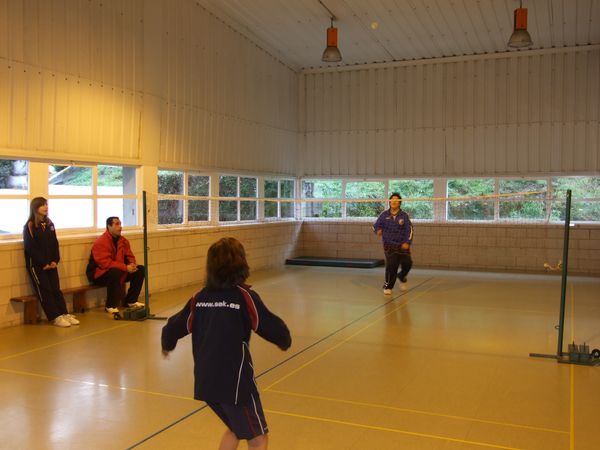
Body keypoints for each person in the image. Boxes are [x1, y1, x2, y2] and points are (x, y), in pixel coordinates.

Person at [161, 237, 291, 450]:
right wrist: (284, 339)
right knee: (258, 438)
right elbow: (267, 324)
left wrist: (167, 343)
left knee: (235, 429)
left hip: (206, 382)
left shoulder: (199, 298)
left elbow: (175, 325)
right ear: (241, 264)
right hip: (236, 385)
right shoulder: (244, 297)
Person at [23, 197, 80, 327]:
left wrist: (55, 260)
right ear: (35, 208)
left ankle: (64, 313)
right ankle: (54, 316)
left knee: (56, 289)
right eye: (42, 205)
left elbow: (54, 243)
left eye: (46, 204)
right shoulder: (30, 225)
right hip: (37, 266)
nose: (46, 207)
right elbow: (31, 247)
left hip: (51, 264)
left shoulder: (49, 223)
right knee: (45, 290)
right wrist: (43, 263)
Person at [90, 216, 145, 313]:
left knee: (140, 270)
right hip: (99, 274)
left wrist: (132, 265)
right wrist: (125, 267)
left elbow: (130, 256)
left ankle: (131, 301)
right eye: (116, 224)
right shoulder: (101, 242)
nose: (120, 227)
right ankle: (110, 305)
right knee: (115, 272)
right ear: (109, 226)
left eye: (120, 224)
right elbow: (105, 263)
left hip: (119, 270)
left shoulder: (123, 241)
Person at [373, 193, 413, 295]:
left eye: (396, 200)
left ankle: (401, 276)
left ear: (399, 203)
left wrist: (407, 242)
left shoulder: (404, 215)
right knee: (392, 266)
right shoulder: (384, 215)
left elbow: (409, 230)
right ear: (390, 202)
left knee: (408, 263)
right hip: (389, 245)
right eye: (392, 199)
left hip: (402, 245)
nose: (394, 201)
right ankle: (388, 286)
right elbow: (375, 226)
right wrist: (378, 230)